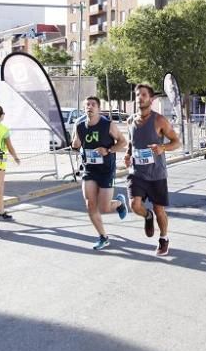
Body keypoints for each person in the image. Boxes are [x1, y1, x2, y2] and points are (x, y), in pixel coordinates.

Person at [124, 83, 181, 256]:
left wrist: (162, 148)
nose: (140, 98)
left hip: (156, 173)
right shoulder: (130, 120)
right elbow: (131, 143)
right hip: (137, 172)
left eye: (143, 95)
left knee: (159, 209)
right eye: (137, 95)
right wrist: (127, 155)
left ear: (151, 99)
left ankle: (163, 238)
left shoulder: (159, 120)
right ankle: (147, 216)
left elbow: (176, 142)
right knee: (134, 205)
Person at [71, 95, 129, 250]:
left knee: (104, 208)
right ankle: (103, 237)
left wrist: (108, 150)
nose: (89, 107)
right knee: (90, 204)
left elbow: (123, 142)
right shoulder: (80, 126)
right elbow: (76, 143)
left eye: (92, 105)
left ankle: (119, 203)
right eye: (87, 105)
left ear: (98, 108)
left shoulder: (108, 125)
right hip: (89, 169)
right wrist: (75, 144)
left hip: (106, 170)